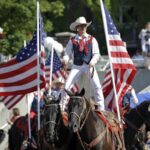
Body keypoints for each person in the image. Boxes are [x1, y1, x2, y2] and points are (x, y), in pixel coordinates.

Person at [62, 16, 105, 111]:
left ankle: (101, 109)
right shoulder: (72, 40)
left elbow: (96, 54)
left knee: (97, 86)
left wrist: (92, 62)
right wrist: (65, 60)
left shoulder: (92, 39)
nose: (82, 28)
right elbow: (67, 53)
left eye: (84, 26)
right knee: (66, 86)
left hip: (88, 66)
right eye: (80, 26)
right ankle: (62, 107)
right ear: (77, 28)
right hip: (76, 66)